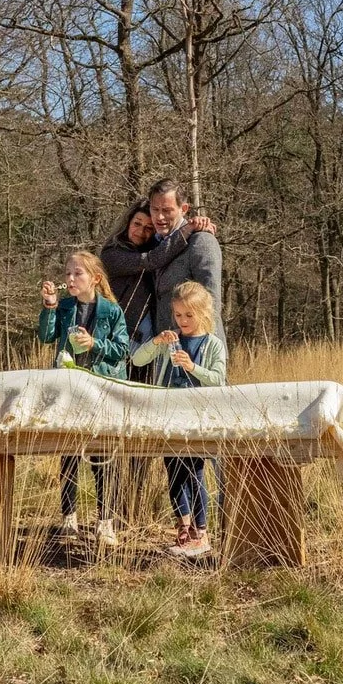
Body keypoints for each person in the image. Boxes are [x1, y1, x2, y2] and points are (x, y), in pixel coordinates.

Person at [39, 250, 130, 547]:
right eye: (68, 274)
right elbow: (45, 336)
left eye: (78, 273)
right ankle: (69, 518)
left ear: (95, 279)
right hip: (68, 391)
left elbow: (122, 349)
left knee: (103, 458)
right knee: (68, 455)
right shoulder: (64, 307)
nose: (70, 279)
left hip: (101, 390)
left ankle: (105, 523)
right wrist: (49, 307)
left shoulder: (112, 311)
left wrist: (95, 343)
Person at [130, 281, 226, 558]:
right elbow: (137, 360)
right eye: (178, 315)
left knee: (194, 471)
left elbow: (218, 380)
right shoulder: (171, 339)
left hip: (197, 416)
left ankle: (201, 532)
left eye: (189, 315)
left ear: (203, 314)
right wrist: (155, 342)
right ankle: (182, 527)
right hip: (168, 414)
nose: (182, 321)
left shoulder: (213, 344)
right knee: (173, 471)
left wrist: (192, 366)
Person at [100, 199, 216, 379]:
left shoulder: (159, 250)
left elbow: (163, 249)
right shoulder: (112, 253)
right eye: (137, 224)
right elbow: (151, 260)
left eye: (148, 228)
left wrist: (200, 224)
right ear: (127, 223)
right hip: (119, 337)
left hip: (151, 339)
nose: (140, 231)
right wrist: (187, 229)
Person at [147, 179, 224, 347]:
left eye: (167, 210)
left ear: (184, 209)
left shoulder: (201, 241)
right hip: (166, 350)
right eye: (155, 209)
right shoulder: (154, 244)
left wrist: (204, 351)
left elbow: (211, 301)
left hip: (199, 350)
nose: (159, 217)